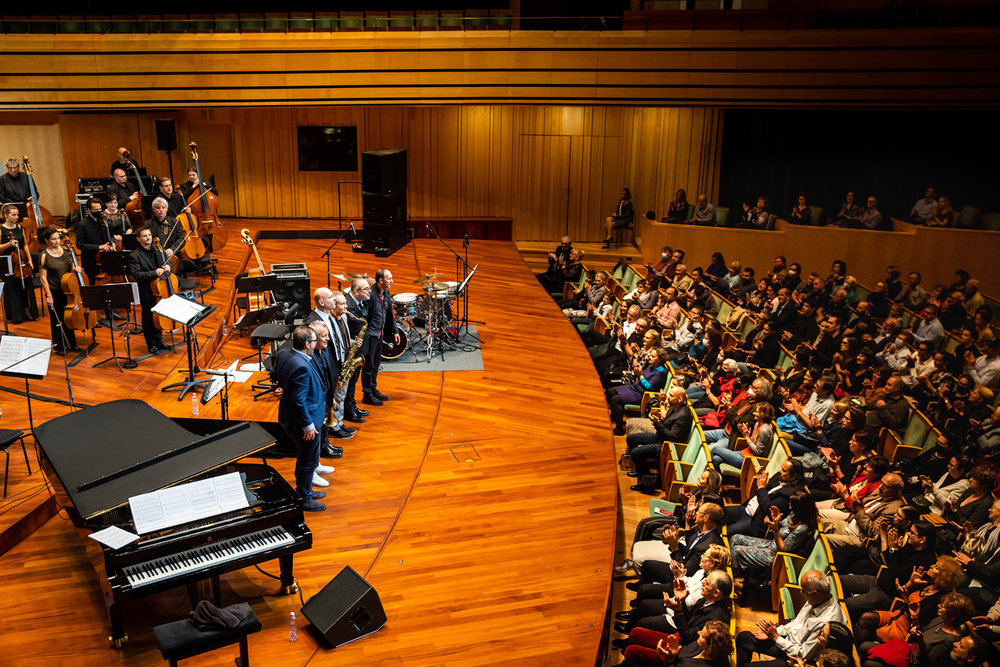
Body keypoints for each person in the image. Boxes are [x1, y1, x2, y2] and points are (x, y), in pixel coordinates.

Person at [735, 570, 847, 666]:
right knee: (743, 638)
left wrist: (776, 637)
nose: (801, 593)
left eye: (803, 591)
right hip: (785, 641)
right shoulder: (815, 600)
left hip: (793, 657)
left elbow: (803, 654)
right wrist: (774, 632)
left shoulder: (826, 624)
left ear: (815, 593)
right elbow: (796, 623)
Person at [271, 326, 327, 512]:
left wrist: (279, 387)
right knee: (307, 461)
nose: (316, 343)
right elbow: (299, 400)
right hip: (302, 423)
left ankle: (306, 489)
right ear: (306, 344)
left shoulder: (284, 353)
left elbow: (274, 373)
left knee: (307, 459)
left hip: (290, 418)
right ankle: (305, 498)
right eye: (313, 340)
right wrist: (308, 425)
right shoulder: (302, 366)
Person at [730, 491, 817, 575]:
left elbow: (782, 548)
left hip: (775, 556)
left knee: (736, 550)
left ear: (801, 508)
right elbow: (781, 525)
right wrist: (776, 520)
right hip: (770, 544)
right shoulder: (794, 514)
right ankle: (730, 566)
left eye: (792, 505)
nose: (790, 507)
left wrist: (775, 530)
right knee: (736, 538)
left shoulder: (802, 528)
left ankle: (734, 576)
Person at [626, 385, 692, 488]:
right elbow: (666, 423)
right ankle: (640, 471)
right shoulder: (674, 407)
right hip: (660, 438)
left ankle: (647, 482)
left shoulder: (683, 416)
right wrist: (657, 419)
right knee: (630, 439)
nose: (668, 397)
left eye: (671, 395)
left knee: (635, 453)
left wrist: (657, 422)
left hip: (666, 446)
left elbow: (672, 436)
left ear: (680, 399)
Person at [822, 472, 905, 554]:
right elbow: (858, 506)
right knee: (817, 522)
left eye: (886, 486)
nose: (880, 487)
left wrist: (859, 509)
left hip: (858, 537)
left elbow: (872, 532)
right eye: (881, 483)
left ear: (897, 491)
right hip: (849, 523)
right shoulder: (880, 492)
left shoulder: (893, 509)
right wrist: (854, 502)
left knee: (822, 539)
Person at [303, 321, 340, 490]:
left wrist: (331, 397)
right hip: (312, 406)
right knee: (308, 445)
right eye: (324, 336)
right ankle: (311, 474)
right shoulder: (308, 358)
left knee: (319, 438)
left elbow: (327, 376)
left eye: (327, 335)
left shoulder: (322, 351)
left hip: (323, 401)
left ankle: (316, 464)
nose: (327, 339)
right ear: (313, 339)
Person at [37, 226, 82, 355]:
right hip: (54, 290)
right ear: (46, 240)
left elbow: (71, 267)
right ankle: (59, 346)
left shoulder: (65, 251)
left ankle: (72, 343)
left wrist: (76, 269)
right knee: (56, 319)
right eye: (53, 239)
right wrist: (49, 296)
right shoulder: (44, 256)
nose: (57, 241)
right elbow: (43, 278)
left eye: (58, 238)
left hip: (68, 289)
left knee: (68, 317)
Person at [128, 226, 172, 355]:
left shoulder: (158, 249)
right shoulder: (134, 255)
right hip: (147, 291)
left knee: (159, 316)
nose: (148, 238)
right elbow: (137, 275)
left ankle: (159, 340)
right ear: (138, 239)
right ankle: (150, 343)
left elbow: (169, 263)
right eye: (144, 236)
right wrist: (154, 273)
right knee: (149, 318)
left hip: (161, 290)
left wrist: (169, 266)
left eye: (149, 235)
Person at [620, 620, 733, 667]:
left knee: (631, 651)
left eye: (702, 635)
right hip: (674, 657)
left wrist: (669, 659)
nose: (698, 633)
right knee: (636, 633)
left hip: (670, 663)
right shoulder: (707, 648)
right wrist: (673, 653)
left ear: (710, 647)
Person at [361, 268, 400, 406]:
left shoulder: (386, 292)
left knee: (376, 363)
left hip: (380, 334)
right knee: (369, 365)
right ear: (381, 280)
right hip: (370, 335)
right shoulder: (370, 295)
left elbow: (389, 314)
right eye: (389, 278)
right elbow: (364, 316)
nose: (392, 281)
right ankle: (367, 394)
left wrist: (395, 331)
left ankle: (373, 388)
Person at [0, 203, 38, 323]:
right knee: (12, 288)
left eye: (17, 215)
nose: (16, 217)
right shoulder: (1, 229)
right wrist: (9, 244)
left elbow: (25, 244)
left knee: (25, 286)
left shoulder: (20, 228)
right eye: (13, 215)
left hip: (22, 261)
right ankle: (15, 315)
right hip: (9, 261)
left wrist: (29, 259)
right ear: (6, 215)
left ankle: (27, 310)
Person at [708, 402, 774, 470]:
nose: (754, 413)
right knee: (716, 459)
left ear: (763, 414)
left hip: (750, 461)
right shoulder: (757, 423)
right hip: (746, 452)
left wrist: (747, 438)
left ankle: (710, 476)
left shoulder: (765, 430)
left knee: (715, 449)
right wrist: (745, 433)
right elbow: (752, 442)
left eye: (756, 412)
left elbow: (758, 452)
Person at [343, 277, 371, 424]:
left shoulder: (359, 302)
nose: (369, 291)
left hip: (360, 348)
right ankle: (348, 410)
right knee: (350, 381)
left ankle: (352, 405)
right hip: (353, 349)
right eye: (366, 289)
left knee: (354, 382)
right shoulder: (348, 305)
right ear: (355, 291)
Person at [75, 197, 114, 286]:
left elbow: (111, 236)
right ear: (89, 210)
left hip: (105, 259)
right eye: (95, 209)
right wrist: (98, 247)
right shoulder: (82, 225)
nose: (98, 211)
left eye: (100, 209)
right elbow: (79, 244)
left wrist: (113, 242)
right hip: (91, 262)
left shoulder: (105, 221)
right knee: (93, 285)